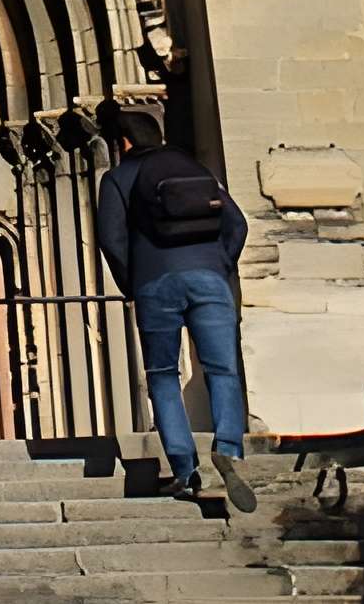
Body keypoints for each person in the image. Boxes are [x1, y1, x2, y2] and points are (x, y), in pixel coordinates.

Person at [96, 107, 254, 511]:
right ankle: (228, 447)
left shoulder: (118, 178)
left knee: (164, 376)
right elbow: (237, 224)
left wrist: (134, 284)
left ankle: (186, 471)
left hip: (155, 284)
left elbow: (111, 239)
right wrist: (220, 265)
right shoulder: (194, 169)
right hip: (210, 278)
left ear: (124, 143)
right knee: (222, 369)